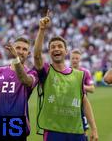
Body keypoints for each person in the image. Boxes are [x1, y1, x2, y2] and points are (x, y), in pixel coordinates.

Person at [34, 13, 98, 141]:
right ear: (49, 52)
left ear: (66, 51)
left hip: (77, 130)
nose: (56, 49)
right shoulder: (46, 70)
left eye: (59, 46)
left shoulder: (79, 75)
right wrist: (42, 30)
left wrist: (94, 129)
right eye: (52, 47)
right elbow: (37, 56)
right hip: (53, 130)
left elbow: (84, 101)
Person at [0, 37, 38, 140]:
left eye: (24, 49)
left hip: (16, 126)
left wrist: (16, 58)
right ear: (12, 49)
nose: (21, 51)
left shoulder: (31, 73)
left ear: (28, 54)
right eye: (18, 48)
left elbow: (25, 80)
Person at [70, 49, 95, 140]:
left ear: (80, 59)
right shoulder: (65, 71)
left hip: (81, 107)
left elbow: (92, 88)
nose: (75, 60)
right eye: (73, 58)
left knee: (82, 132)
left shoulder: (85, 72)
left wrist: (80, 86)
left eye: (77, 58)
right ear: (70, 59)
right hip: (67, 107)